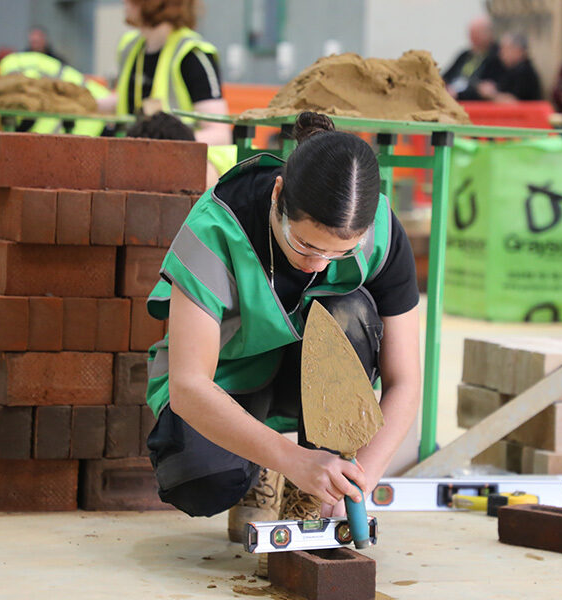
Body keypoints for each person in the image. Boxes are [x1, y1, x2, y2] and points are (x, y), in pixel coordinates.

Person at [143, 112, 421, 542]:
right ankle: (263, 467)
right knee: (200, 480)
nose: (317, 264)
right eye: (305, 244)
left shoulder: (381, 232)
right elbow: (188, 386)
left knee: (349, 311)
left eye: (339, 253)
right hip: (225, 383)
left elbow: (405, 381)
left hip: (303, 377)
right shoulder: (218, 226)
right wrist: (290, 459)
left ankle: (313, 478)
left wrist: (360, 476)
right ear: (278, 195)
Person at [98, 0, 235, 176]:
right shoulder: (129, 46)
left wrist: (168, 145)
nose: (124, 3)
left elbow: (220, 133)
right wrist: (83, 102)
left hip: (182, 165)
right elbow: (126, 99)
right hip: (137, 160)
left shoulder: (192, 53)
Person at [442, 15, 504, 101]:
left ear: (489, 34)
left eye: (477, 35)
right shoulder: (465, 55)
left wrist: (459, 94)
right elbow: (446, 76)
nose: (473, 39)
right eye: (472, 35)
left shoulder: (498, 57)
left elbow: (486, 88)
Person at [474, 33, 541, 102]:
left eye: (504, 48)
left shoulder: (525, 73)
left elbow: (516, 103)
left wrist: (492, 94)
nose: (500, 53)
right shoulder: (507, 69)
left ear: (518, 50)